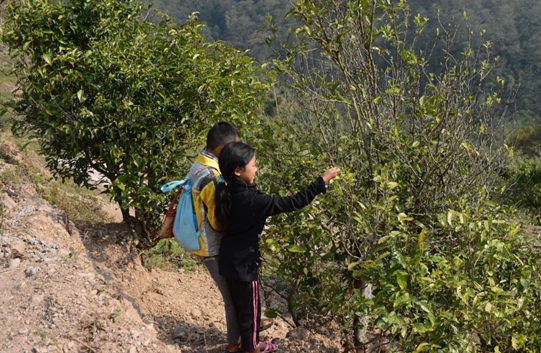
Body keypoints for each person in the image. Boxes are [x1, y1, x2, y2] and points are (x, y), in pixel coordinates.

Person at [215, 142, 341, 353]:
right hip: (243, 267)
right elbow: (293, 202)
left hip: (229, 260)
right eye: (253, 165)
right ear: (238, 170)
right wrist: (322, 181)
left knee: (242, 308)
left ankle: (241, 344)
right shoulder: (254, 200)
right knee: (250, 312)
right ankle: (252, 347)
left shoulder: (226, 191)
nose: (256, 169)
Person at [186, 122, 272, 352]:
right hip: (213, 247)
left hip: (206, 244)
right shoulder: (210, 177)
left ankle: (249, 328)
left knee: (237, 297)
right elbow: (217, 220)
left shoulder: (198, 165)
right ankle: (237, 344)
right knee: (233, 300)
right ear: (222, 149)